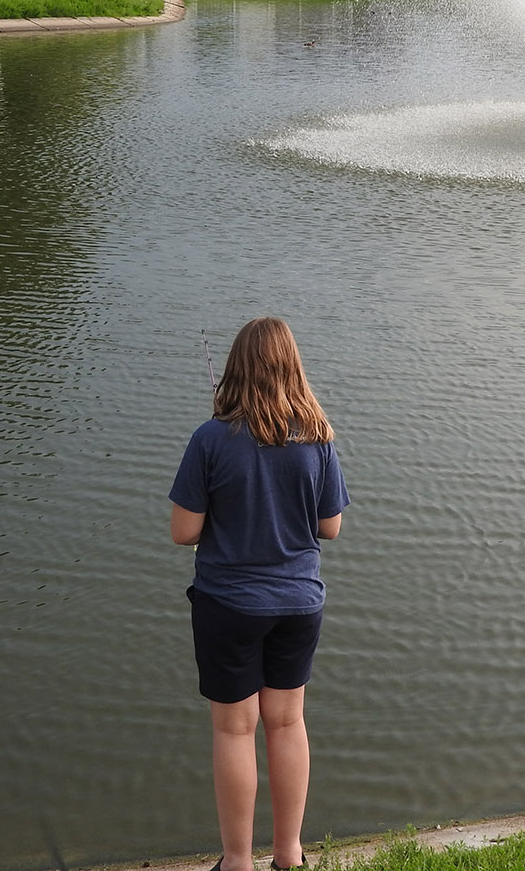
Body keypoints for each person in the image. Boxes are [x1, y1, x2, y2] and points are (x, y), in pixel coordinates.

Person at [169, 317, 349, 871]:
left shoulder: (210, 438)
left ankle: (237, 861)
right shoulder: (318, 437)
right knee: (288, 721)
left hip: (229, 605)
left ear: (235, 369)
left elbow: (184, 531)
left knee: (235, 727)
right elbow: (331, 527)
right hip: (299, 604)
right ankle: (289, 855)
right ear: (292, 365)